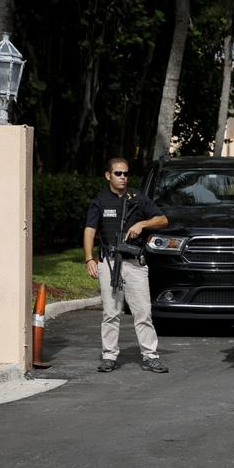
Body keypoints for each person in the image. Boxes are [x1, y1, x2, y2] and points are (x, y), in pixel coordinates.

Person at [84, 158, 170, 373]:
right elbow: (89, 230)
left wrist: (142, 223)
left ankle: (150, 356)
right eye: (118, 173)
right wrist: (89, 258)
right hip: (110, 263)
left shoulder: (137, 198)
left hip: (134, 264)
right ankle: (109, 356)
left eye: (125, 174)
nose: (123, 177)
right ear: (108, 176)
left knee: (143, 312)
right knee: (111, 312)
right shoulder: (100, 201)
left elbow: (162, 220)